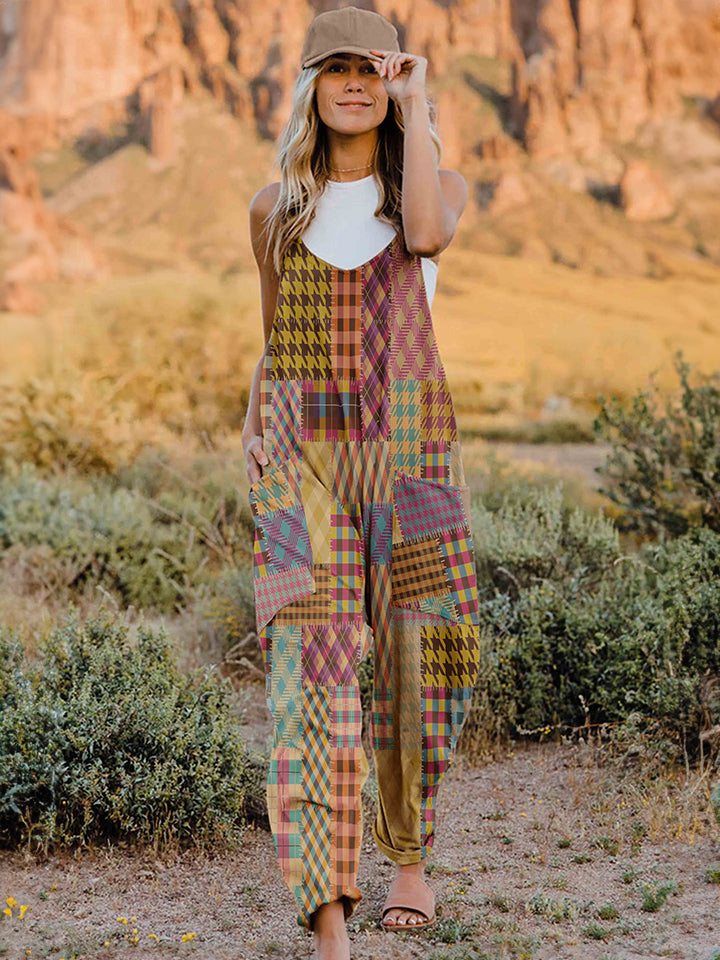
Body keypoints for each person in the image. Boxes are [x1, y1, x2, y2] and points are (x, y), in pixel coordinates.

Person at [242, 7, 482, 959]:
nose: (353, 83)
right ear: (309, 86)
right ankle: (329, 914)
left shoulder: (432, 186)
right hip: (304, 456)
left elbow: (424, 238)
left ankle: (409, 856)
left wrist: (418, 102)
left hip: (415, 444)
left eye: (370, 68)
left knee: (424, 655)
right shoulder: (274, 208)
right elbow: (271, 346)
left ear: (392, 81)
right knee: (311, 668)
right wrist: (248, 434)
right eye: (332, 68)